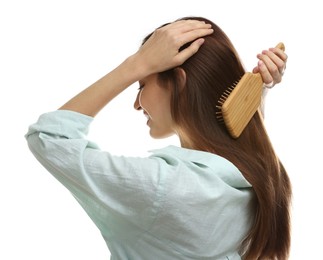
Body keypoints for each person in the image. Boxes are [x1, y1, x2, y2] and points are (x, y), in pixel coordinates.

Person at [25, 16, 291, 260]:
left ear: (179, 81)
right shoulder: (252, 178)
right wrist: (257, 93)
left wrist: (136, 64)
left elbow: (49, 138)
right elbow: (237, 137)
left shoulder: (162, 186)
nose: (137, 105)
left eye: (142, 85)